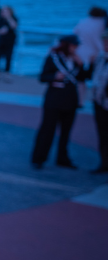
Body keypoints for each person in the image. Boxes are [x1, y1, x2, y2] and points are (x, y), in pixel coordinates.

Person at [30, 35, 90, 170]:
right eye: (74, 45)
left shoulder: (76, 60)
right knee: (47, 130)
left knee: (66, 132)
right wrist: (54, 77)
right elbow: (43, 77)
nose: (76, 48)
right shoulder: (53, 58)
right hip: (54, 100)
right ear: (66, 45)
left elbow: (83, 78)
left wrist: (82, 65)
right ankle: (38, 158)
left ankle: (62, 158)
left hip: (70, 100)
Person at [90, 31, 108, 174]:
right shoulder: (101, 58)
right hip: (99, 102)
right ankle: (104, 163)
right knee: (102, 134)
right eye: (104, 42)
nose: (105, 45)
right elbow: (95, 77)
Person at [0, 6, 19, 74]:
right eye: (4, 11)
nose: (5, 13)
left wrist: (8, 17)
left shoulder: (13, 18)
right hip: (0, 42)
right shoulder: (0, 19)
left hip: (10, 42)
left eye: (6, 11)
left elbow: (14, 26)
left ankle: (7, 73)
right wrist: (0, 31)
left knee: (9, 58)